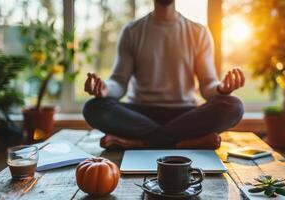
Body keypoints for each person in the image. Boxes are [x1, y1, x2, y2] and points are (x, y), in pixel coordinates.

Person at [83, 0, 245, 150]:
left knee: (233, 106)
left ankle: (141, 142)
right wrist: (106, 90)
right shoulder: (132, 31)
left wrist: (221, 89)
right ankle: (182, 142)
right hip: (139, 115)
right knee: (93, 108)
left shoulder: (198, 32)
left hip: (184, 115)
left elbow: (208, 85)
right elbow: (119, 82)